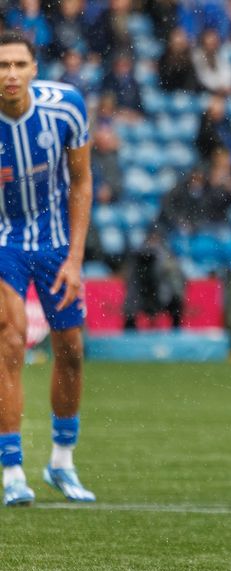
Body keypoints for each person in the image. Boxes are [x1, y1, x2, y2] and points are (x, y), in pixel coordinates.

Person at [0, 32, 95, 506]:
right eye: (2, 66)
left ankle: (61, 461)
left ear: (34, 69)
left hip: (57, 243)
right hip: (4, 241)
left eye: (19, 64)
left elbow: (81, 181)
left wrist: (75, 259)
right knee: (10, 339)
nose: (10, 74)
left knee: (72, 351)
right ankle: (12, 469)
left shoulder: (67, 108)